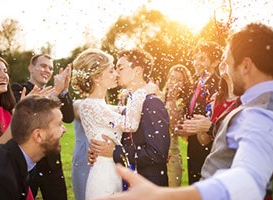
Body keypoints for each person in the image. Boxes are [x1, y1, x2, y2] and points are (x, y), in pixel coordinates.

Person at [94, 22, 273, 200]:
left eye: (228, 63)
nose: (225, 72)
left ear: (246, 66)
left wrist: (165, 195)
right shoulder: (258, 105)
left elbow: (248, 180)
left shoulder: (260, 113)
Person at [71, 48, 157, 200]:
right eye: (111, 71)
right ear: (97, 78)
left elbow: (126, 111)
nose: (116, 74)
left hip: (113, 172)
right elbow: (130, 123)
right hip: (104, 178)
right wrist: (143, 92)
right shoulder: (91, 105)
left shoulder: (100, 105)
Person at [88, 48, 170, 187]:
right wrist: (100, 150)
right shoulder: (132, 104)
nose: (116, 73)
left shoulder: (152, 103)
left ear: (138, 70)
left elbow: (157, 153)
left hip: (149, 187)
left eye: (120, 68)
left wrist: (115, 152)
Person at [0, 95, 66, 200]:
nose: (64, 129)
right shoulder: (0, 178)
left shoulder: (15, 160)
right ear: (38, 135)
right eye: (59, 124)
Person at [11, 54, 74, 200]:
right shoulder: (18, 89)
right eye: (43, 66)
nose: (47, 70)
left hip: (51, 162)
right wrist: (56, 93)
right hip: (26, 163)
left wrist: (64, 90)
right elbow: (25, 116)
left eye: (51, 68)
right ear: (31, 68)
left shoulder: (55, 92)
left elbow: (69, 117)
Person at [0, 53, 35, 200]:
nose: (4, 76)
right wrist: (19, 114)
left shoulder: (9, 112)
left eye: (5, 71)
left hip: (16, 182)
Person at [183, 41, 222, 184]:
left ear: (215, 62)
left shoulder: (219, 86)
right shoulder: (195, 84)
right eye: (195, 58)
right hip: (193, 146)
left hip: (210, 147)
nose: (196, 63)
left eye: (202, 59)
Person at [161, 64, 193, 187]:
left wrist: (172, 100)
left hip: (172, 156)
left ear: (185, 84)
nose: (175, 82)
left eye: (180, 80)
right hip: (156, 157)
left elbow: (176, 128)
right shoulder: (158, 97)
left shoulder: (184, 103)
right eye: (172, 78)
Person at [71, 101, 90, 200]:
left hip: (106, 155)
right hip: (84, 155)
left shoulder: (107, 105)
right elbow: (81, 116)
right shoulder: (78, 104)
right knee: (83, 193)